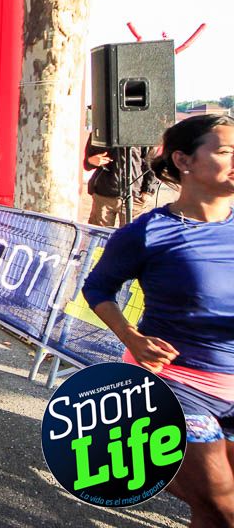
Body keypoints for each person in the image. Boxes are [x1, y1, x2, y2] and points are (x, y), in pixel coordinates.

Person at [83, 114, 234, 527]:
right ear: (183, 161)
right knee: (223, 505)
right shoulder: (148, 232)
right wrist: (131, 337)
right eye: (225, 151)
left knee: (214, 510)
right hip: (177, 382)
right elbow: (97, 288)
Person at [83, 140, 155, 227]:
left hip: (134, 195)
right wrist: (91, 161)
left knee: (132, 234)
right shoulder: (101, 132)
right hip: (103, 194)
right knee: (99, 233)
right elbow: (87, 163)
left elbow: (153, 162)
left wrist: (148, 191)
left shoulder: (143, 133)